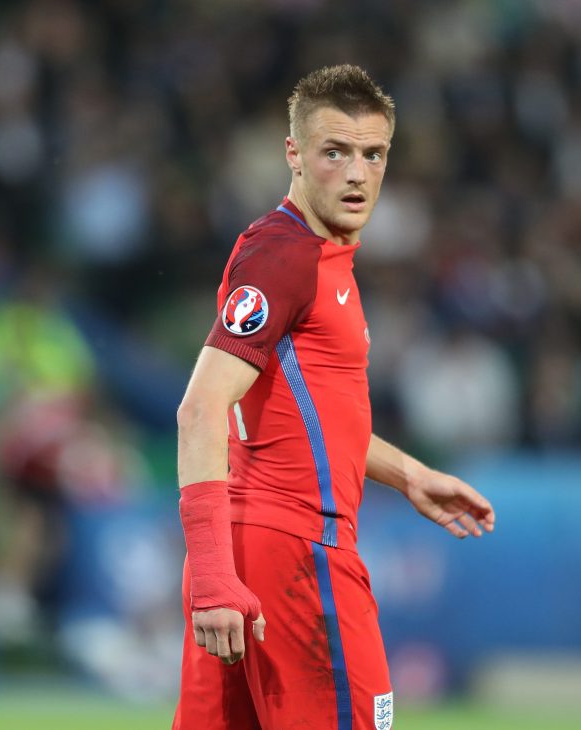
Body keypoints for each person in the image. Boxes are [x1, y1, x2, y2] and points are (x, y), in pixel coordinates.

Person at [173, 65, 496, 730]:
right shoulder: (284, 257)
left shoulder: (318, 257)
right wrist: (211, 577)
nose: (356, 174)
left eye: (373, 154)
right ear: (293, 153)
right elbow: (201, 407)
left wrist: (409, 475)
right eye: (335, 152)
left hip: (250, 549)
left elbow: (310, 413)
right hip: (295, 557)